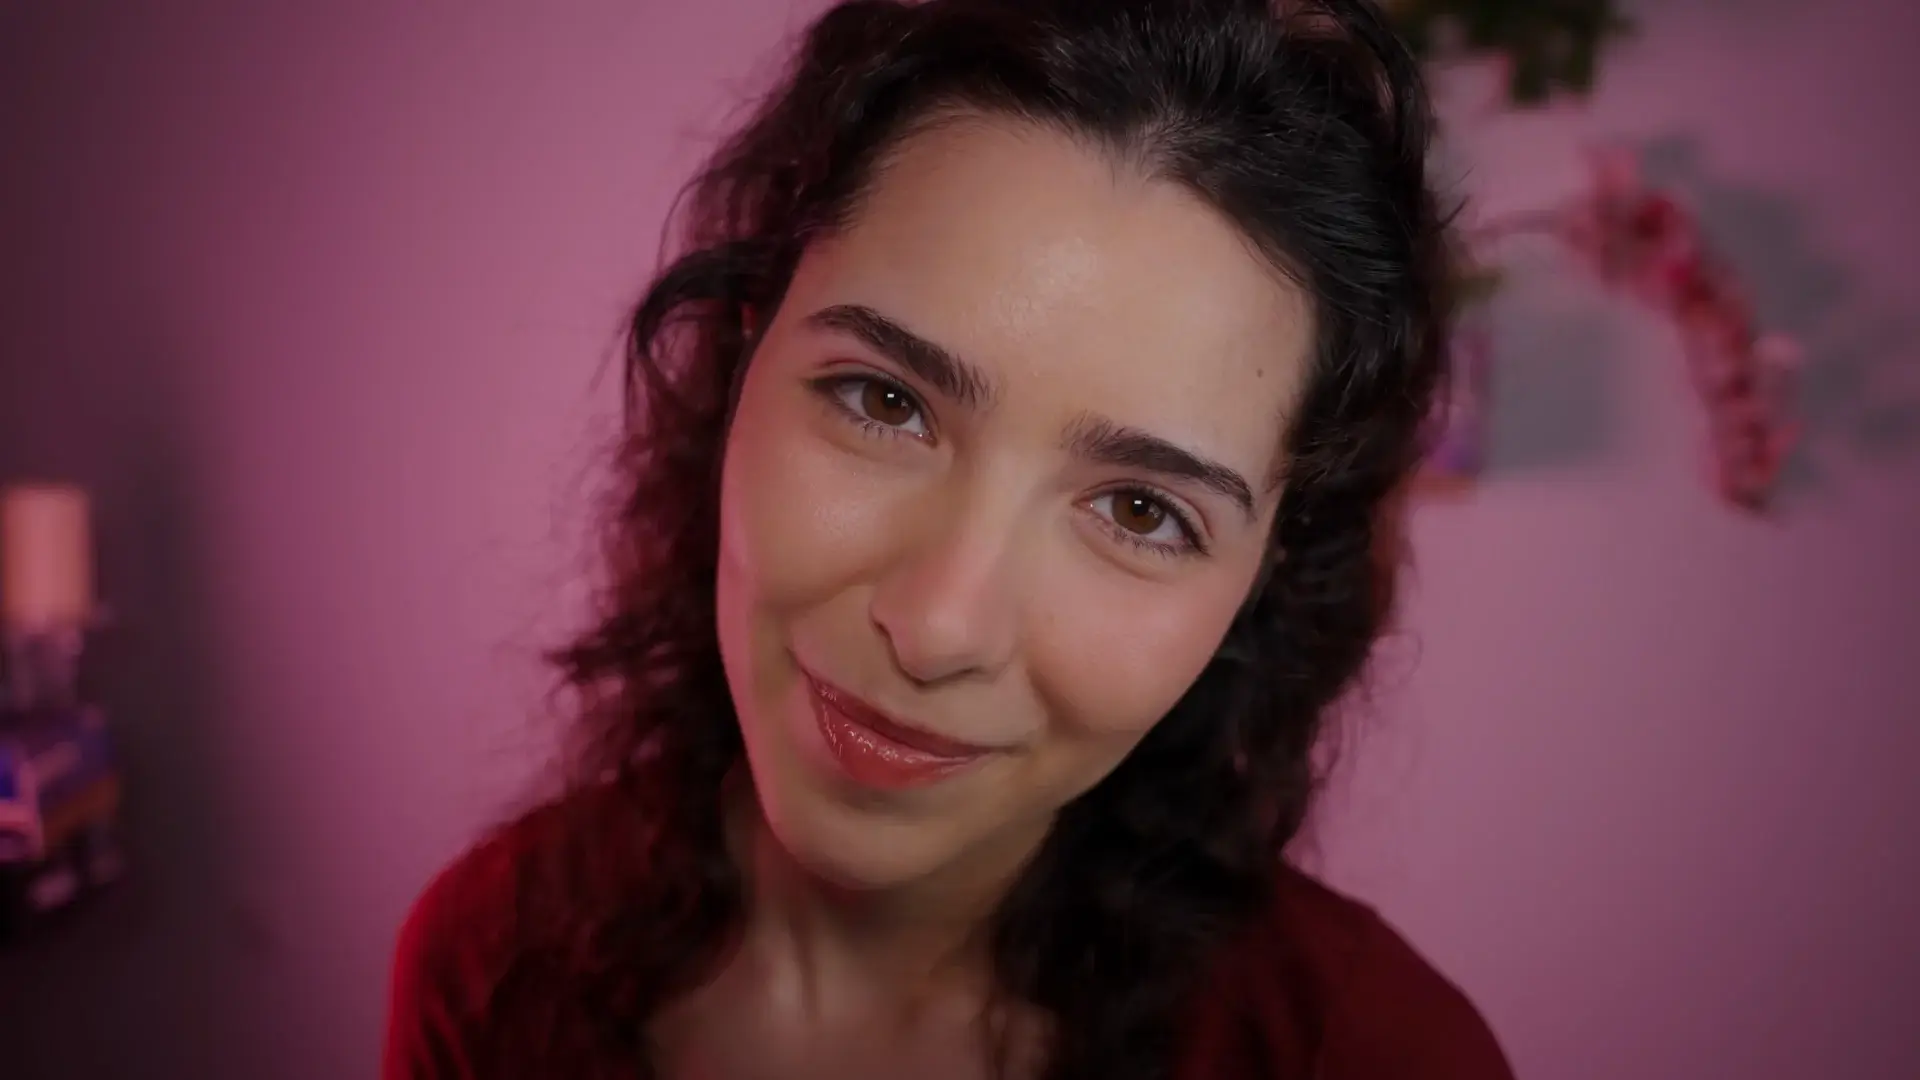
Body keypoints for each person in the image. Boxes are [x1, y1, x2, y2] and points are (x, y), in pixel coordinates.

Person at [383, 1, 1515, 1077]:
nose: (938, 627)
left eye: (1140, 511)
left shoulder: (1376, 1058)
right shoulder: (496, 961)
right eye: (884, 402)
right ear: (748, 347)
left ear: (1266, 568)